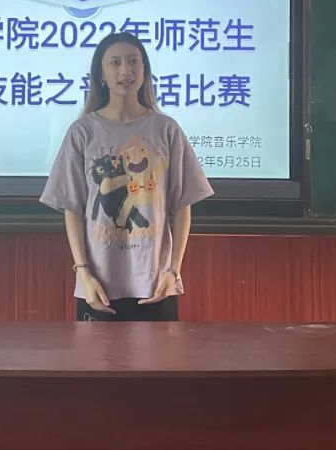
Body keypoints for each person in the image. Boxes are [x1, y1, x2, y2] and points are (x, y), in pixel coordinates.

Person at [40, 32, 214, 322]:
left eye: (134, 61)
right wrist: (83, 272)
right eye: (115, 62)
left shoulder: (166, 130)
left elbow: (182, 205)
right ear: (101, 75)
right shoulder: (82, 132)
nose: (126, 70)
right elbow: (73, 208)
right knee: (96, 353)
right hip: (98, 286)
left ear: (145, 71)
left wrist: (173, 271)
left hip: (156, 286)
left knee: (161, 354)